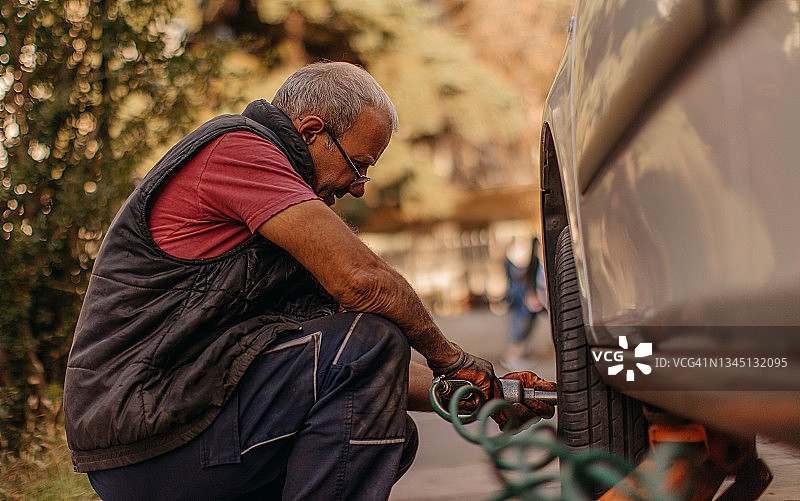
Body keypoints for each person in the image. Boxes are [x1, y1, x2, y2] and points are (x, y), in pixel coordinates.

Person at [63, 61, 556, 501]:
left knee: (385, 428)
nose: (358, 186)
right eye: (358, 165)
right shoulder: (237, 150)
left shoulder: (280, 217)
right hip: (145, 438)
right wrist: (454, 359)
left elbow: (358, 370)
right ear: (312, 131)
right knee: (372, 339)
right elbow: (364, 282)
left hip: (183, 421)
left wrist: (474, 392)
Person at [501, 237, 546, 372]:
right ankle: (511, 358)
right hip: (524, 300)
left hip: (527, 299)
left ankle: (516, 357)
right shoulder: (523, 262)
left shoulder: (530, 260)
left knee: (525, 329)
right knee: (520, 329)